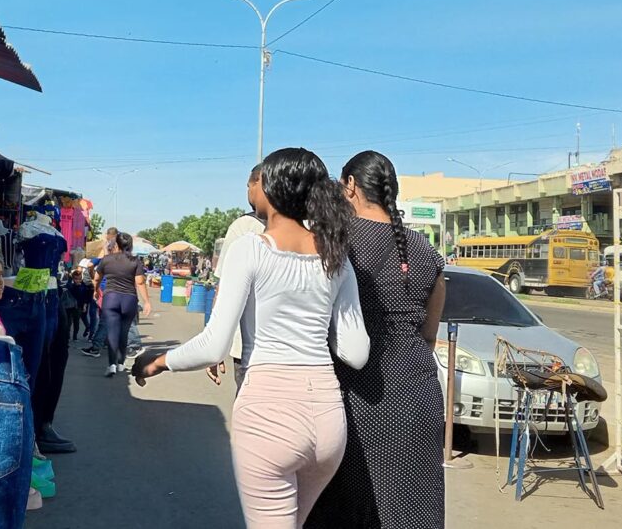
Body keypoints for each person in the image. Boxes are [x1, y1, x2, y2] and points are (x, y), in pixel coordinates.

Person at [134, 148, 369, 528]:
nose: (251, 188)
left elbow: (214, 345)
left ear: (272, 188)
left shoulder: (250, 248)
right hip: (327, 420)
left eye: (256, 181)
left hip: (269, 415)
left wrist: (159, 361)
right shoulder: (336, 255)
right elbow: (356, 352)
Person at [306, 151, 447, 529]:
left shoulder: (333, 242)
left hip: (354, 396)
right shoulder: (425, 251)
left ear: (350, 185)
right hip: (418, 394)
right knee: (412, 509)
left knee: (345, 510)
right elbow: (429, 334)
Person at [209, 163, 266, 390]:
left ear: (259, 184)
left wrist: (214, 344)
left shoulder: (244, 226)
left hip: (250, 350)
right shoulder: (315, 228)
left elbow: (224, 292)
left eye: (249, 185)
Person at [94, 233, 153, 376]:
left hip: (111, 298)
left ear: (117, 245)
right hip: (129, 300)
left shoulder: (107, 260)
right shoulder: (135, 261)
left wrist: (96, 291)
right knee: (124, 333)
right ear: (130, 245)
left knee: (112, 332)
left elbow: (96, 278)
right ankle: (121, 362)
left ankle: (112, 365)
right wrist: (147, 302)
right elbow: (140, 282)